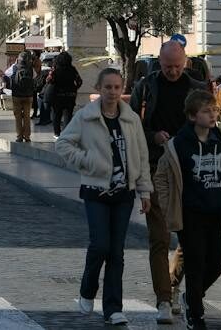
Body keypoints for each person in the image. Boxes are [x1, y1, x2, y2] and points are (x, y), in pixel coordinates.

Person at [56, 66, 153, 326]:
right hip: (96, 191)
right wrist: (87, 161)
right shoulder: (85, 117)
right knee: (100, 245)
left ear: (122, 89)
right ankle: (87, 290)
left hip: (124, 194)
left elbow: (141, 156)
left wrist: (144, 190)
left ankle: (113, 308)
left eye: (116, 87)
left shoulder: (131, 119)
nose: (112, 92)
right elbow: (63, 144)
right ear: (98, 89)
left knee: (116, 252)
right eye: (107, 87)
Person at [131, 40, 206, 324]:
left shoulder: (198, 88)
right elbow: (134, 124)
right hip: (154, 166)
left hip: (190, 168)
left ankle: (174, 285)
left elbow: (209, 123)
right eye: (166, 66)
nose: (172, 71)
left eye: (177, 66)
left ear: (185, 62)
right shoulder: (146, 86)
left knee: (189, 236)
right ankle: (163, 298)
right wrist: (154, 136)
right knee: (159, 237)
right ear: (158, 63)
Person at [153, 90, 221, 330]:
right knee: (195, 262)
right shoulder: (178, 144)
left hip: (215, 210)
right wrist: (170, 209)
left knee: (218, 261)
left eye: (214, 110)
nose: (212, 115)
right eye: (206, 111)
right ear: (192, 116)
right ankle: (196, 314)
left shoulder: (220, 140)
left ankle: (192, 297)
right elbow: (161, 178)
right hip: (190, 213)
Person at [49, 52, 83, 137]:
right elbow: (79, 81)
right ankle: (66, 133)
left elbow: (50, 80)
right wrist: (75, 89)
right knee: (68, 115)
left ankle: (57, 133)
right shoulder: (72, 69)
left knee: (56, 115)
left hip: (57, 95)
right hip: (70, 96)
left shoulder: (55, 70)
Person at [9, 52, 40, 143]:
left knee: (18, 117)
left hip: (16, 96)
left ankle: (19, 136)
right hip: (28, 95)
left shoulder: (14, 67)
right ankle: (27, 137)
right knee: (26, 117)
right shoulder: (31, 68)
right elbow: (35, 77)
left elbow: (8, 76)